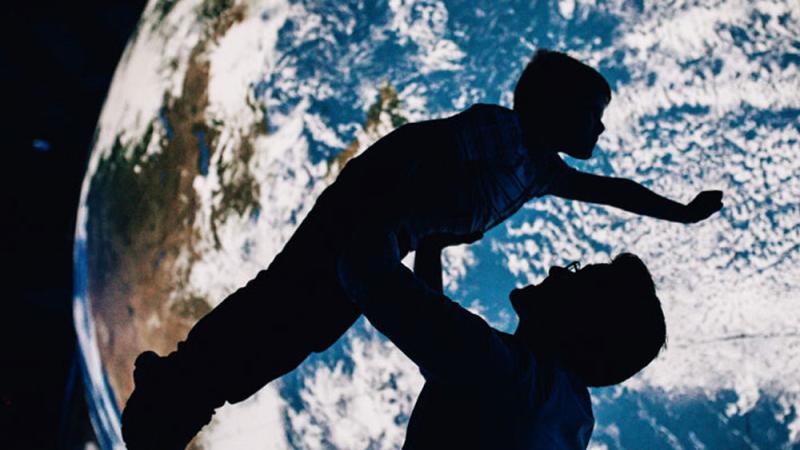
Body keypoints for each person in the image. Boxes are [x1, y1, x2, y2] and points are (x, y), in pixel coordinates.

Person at [121, 49, 722, 449]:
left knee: (305, 326)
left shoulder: (542, 173)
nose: (599, 130)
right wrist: (380, 207)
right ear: (555, 111)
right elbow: (418, 144)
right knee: (283, 304)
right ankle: (177, 387)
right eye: (593, 116)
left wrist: (680, 211)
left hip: (388, 239)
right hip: (366, 218)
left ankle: (187, 394)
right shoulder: (504, 133)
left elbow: (611, 190)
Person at [337, 229, 666, 449]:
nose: (556, 270)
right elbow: (443, 348)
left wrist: (388, 209)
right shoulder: (570, 415)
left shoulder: (508, 376)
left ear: (584, 327)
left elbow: (368, 271)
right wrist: (429, 246)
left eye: (577, 277)